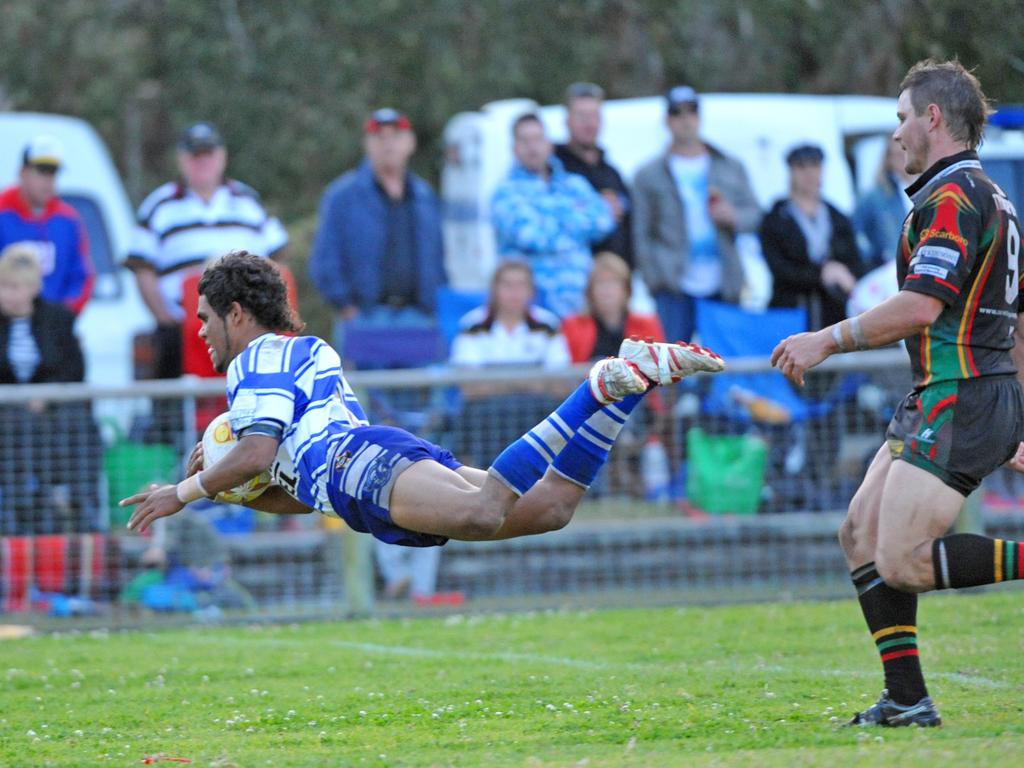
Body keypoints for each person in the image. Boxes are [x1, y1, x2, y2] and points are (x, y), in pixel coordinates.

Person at [120, 252, 724, 553]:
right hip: (359, 468)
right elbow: (296, 492)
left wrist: (183, 491)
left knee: (486, 511)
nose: (197, 332)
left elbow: (255, 451)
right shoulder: (299, 353)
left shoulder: (257, 359)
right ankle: (625, 391)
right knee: (550, 509)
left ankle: (598, 385)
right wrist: (230, 488)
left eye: (204, 318)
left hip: (356, 464)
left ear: (236, 313)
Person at [770, 59, 1024, 727]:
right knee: (859, 533)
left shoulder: (953, 199)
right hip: (950, 393)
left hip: (961, 393)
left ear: (932, 119)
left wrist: (826, 339)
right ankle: (907, 700)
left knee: (903, 559)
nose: (897, 134)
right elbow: (1014, 319)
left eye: (902, 118)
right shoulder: (987, 196)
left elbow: (918, 307)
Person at [127, 122, 289, 382]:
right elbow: (141, 268)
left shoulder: (248, 200)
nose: (202, 162)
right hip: (182, 331)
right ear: (182, 159)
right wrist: (166, 319)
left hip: (248, 328)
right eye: (195, 156)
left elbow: (279, 259)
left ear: (222, 156)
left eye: (208, 154)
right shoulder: (159, 205)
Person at [309, 108, 447, 364]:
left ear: (411, 143)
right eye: (379, 138)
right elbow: (324, 261)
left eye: (395, 136)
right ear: (367, 145)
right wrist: (346, 307)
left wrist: (433, 304)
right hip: (364, 319)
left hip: (417, 318)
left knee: (420, 402)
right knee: (362, 402)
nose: (388, 144)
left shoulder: (425, 196)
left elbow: (438, 255)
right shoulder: (342, 196)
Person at [632, 86, 761, 343]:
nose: (685, 119)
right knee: (668, 366)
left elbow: (756, 214)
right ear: (667, 120)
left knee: (723, 364)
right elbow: (640, 233)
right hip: (673, 285)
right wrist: (655, 280)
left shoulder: (730, 166)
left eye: (692, 111)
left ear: (700, 117)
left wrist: (733, 216)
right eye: (677, 113)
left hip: (724, 281)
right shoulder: (647, 175)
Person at [0, 244, 100, 534]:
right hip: (8, 416)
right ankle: (15, 515)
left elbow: (73, 369)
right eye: (3, 286)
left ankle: (84, 514)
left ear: (32, 288)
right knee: (17, 429)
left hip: (51, 415)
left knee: (81, 428)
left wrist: (45, 397)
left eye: (14, 286)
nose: (7, 293)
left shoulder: (59, 319)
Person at [449, 260, 571, 468]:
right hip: (488, 415)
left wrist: (497, 381)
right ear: (494, 290)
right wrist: (530, 381)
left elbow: (560, 385)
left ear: (531, 290)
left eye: (521, 285)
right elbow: (470, 388)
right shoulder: (472, 325)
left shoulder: (548, 325)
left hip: (535, 411)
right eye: (507, 285)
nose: (514, 293)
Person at [491, 113, 613, 318]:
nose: (532, 147)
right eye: (524, 140)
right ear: (514, 148)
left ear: (549, 144)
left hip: (582, 304)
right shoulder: (505, 193)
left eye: (538, 139)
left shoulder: (575, 184)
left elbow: (603, 222)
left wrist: (546, 219)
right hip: (533, 306)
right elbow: (531, 236)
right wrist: (574, 220)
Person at [760, 143, 865, 331]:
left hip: (832, 312)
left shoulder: (837, 217)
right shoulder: (776, 218)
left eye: (814, 166)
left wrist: (842, 273)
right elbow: (779, 267)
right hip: (792, 310)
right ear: (791, 171)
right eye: (801, 167)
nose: (809, 173)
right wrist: (820, 275)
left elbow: (854, 260)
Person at [0, 136, 93, 314]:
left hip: (52, 329)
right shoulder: (2, 212)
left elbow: (81, 276)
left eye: (53, 173)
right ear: (22, 172)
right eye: (41, 171)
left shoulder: (68, 219)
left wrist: (65, 315)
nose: (48, 180)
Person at [554, 82, 633, 265]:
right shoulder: (553, 169)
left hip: (614, 285)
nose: (589, 124)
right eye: (581, 116)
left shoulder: (612, 173)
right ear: (567, 120)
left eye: (594, 116)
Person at [561, 252, 665, 363]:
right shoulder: (573, 326)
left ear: (626, 289)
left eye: (613, 282)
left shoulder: (645, 324)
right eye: (601, 283)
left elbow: (659, 366)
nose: (607, 290)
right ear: (590, 291)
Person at [853, 140, 918, 270]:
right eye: (896, 155)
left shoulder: (931, 189)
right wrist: (873, 258)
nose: (902, 159)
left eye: (905, 152)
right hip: (891, 270)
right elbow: (854, 232)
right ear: (888, 159)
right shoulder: (875, 197)